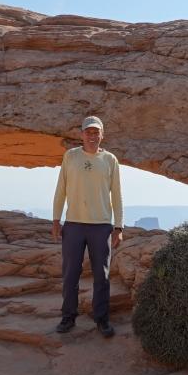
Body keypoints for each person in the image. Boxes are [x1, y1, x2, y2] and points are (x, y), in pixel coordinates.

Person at [52, 115, 124, 337]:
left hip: (101, 226)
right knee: (70, 274)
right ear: (81, 134)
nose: (92, 136)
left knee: (101, 276)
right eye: (88, 132)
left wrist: (118, 227)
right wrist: (56, 220)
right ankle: (68, 317)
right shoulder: (70, 157)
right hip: (73, 224)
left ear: (102, 135)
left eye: (96, 132)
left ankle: (101, 320)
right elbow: (61, 189)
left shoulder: (110, 160)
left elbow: (117, 196)